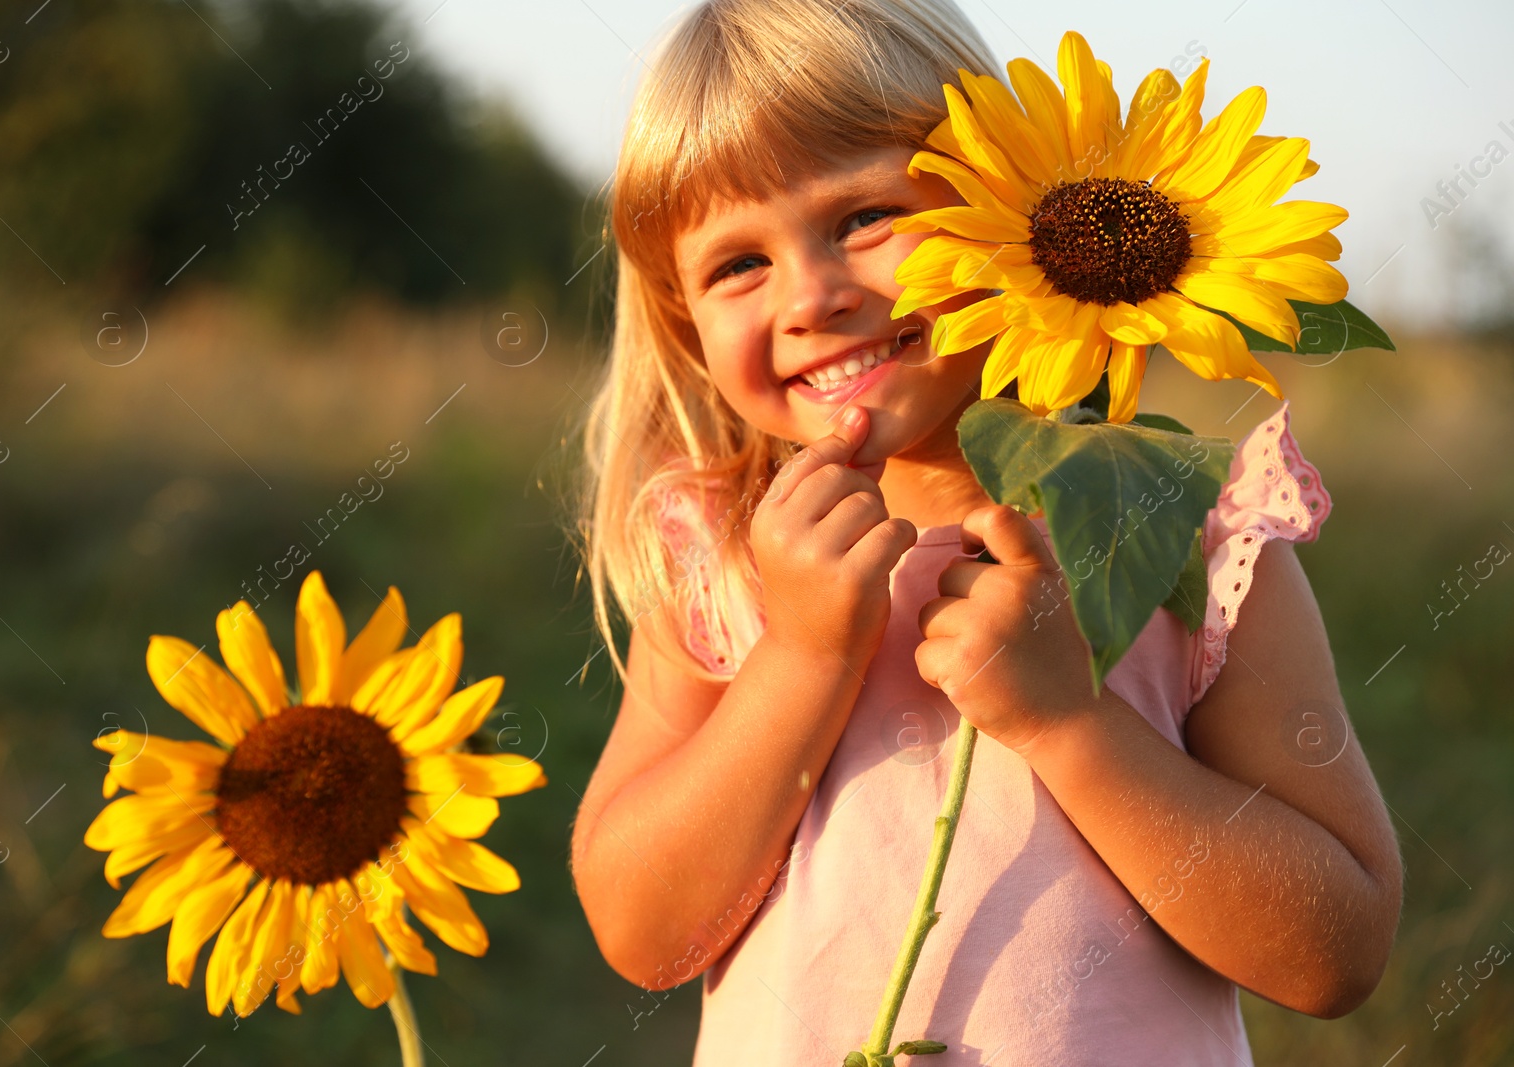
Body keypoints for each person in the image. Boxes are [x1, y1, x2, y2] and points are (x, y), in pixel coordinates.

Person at [568, 1, 1403, 1061]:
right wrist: (802, 651)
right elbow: (643, 931)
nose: (812, 297)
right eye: (738, 265)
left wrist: (1069, 723)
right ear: (685, 323)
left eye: (863, 216)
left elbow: (1333, 951)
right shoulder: (721, 555)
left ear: (1003, 203)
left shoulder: (1182, 536)